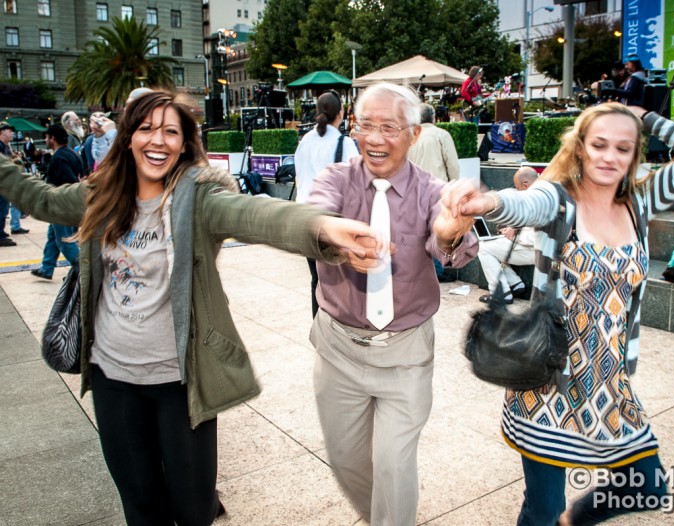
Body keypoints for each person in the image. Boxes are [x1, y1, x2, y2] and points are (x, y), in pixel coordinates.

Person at [0, 90, 382, 526]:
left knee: (194, 509)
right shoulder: (101, 195)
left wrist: (323, 227)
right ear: (127, 138)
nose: (157, 140)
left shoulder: (197, 199)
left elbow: (256, 215)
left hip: (178, 383)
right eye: (146, 129)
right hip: (113, 379)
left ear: (184, 143)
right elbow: (41, 201)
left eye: (170, 131)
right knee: (141, 505)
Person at [441, 102, 674, 525]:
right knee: (542, 508)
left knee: (647, 486)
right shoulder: (558, 200)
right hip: (549, 379)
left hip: (610, 382)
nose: (610, 157)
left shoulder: (639, 200)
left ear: (634, 155)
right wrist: (487, 203)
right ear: (580, 148)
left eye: (623, 148)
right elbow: (523, 204)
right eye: (600, 144)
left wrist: (644, 117)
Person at [307, 83, 478, 526]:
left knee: (393, 465)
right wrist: (336, 237)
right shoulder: (334, 179)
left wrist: (447, 234)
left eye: (389, 127)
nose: (376, 138)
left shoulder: (431, 190)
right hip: (339, 348)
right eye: (366, 126)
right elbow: (312, 219)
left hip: (406, 354)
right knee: (347, 462)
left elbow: (457, 246)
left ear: (414, 135)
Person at [294, 90, 360, 318]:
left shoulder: (304, 142)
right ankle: (337, 330)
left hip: (304, 220)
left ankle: (319, 327)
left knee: (317, 280)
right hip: (332, 223)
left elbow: (299, 177)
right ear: (340, 113)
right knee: (339, 281)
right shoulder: (345, 143)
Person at [408, 102, 461, 282]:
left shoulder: (410, 137)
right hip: (438, 191)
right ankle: (437, 270)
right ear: (434, 118)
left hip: (414, 191)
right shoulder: (441, 135)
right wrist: (455, 186)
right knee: (437, 232)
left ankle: (422, 269)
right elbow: (452, 164)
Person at [476, 166, 538, 304]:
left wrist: (515, 233)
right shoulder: (544, 193)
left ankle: (500, 293)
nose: (517, 190)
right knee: (492, 244)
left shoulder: (536, 198)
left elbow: (534, 235)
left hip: (534, 250)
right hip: (536, 248)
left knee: (482, 248)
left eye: (518, 187)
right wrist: (513, 228)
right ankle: (515, 284)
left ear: (525, 184)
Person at [30, 124, 83, 281]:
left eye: (47, 137)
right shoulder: (72, 154)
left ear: (52, 138)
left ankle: (83, 269)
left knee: (65, 240)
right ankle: (47, 268)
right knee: (53, 236)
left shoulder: (59, 157)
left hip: (61, 205)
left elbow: (70, 180)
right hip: (69, 205)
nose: (46, 140)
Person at [0, 121, 23, 243]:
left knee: (3, 209)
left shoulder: (4, 146)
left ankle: (1, 232)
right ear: (2, 133)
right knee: (1, 209)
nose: (12, 133)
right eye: (9, 131)